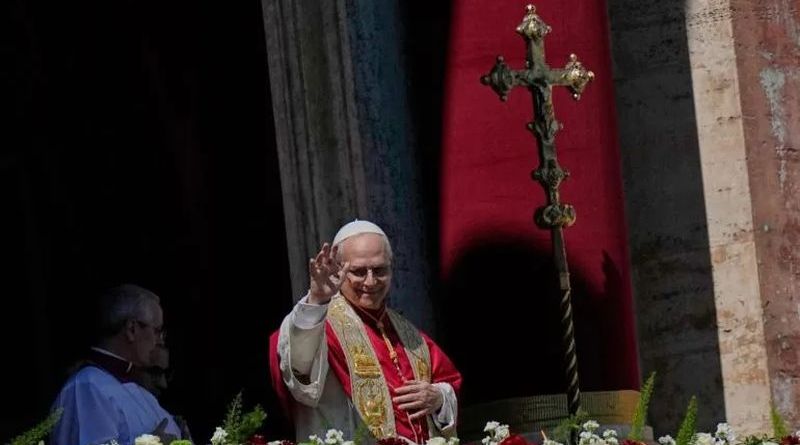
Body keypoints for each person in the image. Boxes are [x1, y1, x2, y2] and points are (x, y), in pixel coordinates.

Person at [269, 220, 462, 444]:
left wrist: (438, 397)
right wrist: (317, 299)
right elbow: (299, 372)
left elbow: (449, 383)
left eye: (379, 270)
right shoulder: (316, 322)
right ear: (339, 270)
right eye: (359, 272)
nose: (371, 282)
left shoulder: (409, 334)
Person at [51, 284, 185, 445]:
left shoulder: (142, 393)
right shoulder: (88, 386)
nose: (160, 341)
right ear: (132, 329)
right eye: (156, 331)